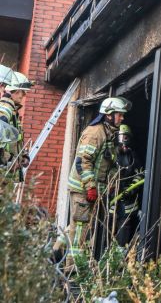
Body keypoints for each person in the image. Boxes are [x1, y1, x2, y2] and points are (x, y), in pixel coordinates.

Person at [64, 96, 131, 270]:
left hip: (95, 189)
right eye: (119, 114)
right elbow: (83, 162)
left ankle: (69, 257)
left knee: (86, 227)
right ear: (109, 115)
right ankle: (73, 267)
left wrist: (110, 184)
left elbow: (109, 163)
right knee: (80, 227)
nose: (122, 118)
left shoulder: (109, 133)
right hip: (83, 189)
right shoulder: (95, 133)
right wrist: (91, 187)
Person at [108, 124, 144, 246]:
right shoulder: (110, 155)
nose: (123, 142)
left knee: (124, 227)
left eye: (126, 138)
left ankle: (121, 251)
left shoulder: (133, 157)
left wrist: (131, 189)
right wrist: (111, 190)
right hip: (112, 199)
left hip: (128, 202)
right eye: (121, 137)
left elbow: (139, 175)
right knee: (108, 227)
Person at [0, 71, 33, 172]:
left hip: (10, 169)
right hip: (4, 169)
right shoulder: (5, 109)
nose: (24, 95)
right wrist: (9, 159)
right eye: (23, 92)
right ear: (16, 90)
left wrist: (23, 155)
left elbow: (15, 140)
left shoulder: (13, 111)